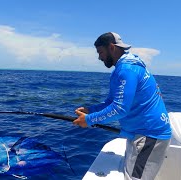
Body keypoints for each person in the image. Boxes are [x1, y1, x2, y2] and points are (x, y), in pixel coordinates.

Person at [73, 32, 171, 180]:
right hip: (140, 133)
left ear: (111, 47)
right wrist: (90, 110)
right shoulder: (125, 67)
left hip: (149, 135)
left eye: (100, 52)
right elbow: (112, 102)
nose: (99, 57)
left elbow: (120, 109)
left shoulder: (127, 70)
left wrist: (89, 120)